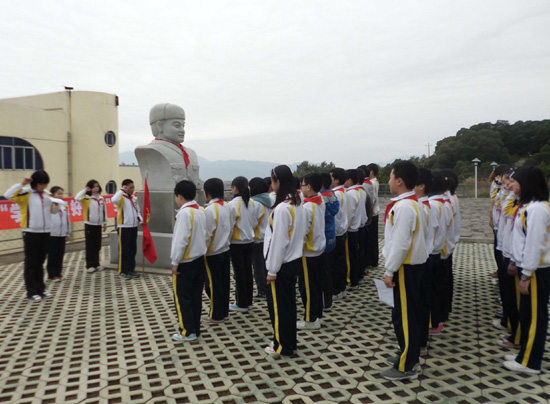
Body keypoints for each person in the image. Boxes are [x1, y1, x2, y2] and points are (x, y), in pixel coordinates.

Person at [381, 161, 427, 381]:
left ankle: (407, 365)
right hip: (410, 266)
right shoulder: (412, 203)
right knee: (405, 314)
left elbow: (400, 243)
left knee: (405, 317)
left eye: (391, 177)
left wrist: (389, 270)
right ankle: (407, 354)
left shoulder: (405, 207)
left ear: (399, 180)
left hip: (405, 267)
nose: (389, 181)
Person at [504, 166, 550, 374]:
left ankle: (530, 362)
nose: (511, 184)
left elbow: (534, 244)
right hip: (528, 267)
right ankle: (525, 352)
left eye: (516, 181)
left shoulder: (538, 209)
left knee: (535, 316)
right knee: (527, 313)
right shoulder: (529, 207)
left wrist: (527, 274)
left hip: (536, 270)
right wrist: (516, 262)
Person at [264, 165, 305, 357]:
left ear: (278, 182)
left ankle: (281, 346)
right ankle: (289, 342)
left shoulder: (282, 209)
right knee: (288, 306)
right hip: (293, 261)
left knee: (279, 308)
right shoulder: (297, 203)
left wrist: (272, 270)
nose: (271, 185)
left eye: (272, 181)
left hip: (281, 264)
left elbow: (278, 241)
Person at [4, 171, 63, 301]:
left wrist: (57, 205)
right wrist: (22, 184)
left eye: (45, 184)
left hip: (45, 231)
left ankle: (41, 289)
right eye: (41, 184)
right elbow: (8, 195)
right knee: (31, 262)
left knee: (41, 261)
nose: (44, 187)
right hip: (31, 231)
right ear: (35, 183)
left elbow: (53, 212)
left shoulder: (47, 195)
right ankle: (31, 291)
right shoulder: (26, 193)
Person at [170, 180, 207, 342]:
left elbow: (180, 240)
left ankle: (187, 331)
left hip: (185, 262)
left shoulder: (184, 213)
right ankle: (195, 328)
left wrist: (175, 261)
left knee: (183, 297)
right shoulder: (200, 210)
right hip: (199, 259)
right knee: (195, 296)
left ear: (180, 196)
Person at [298, 173, 326, 330]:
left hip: (308, 252)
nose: (301, 188)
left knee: (307, 288)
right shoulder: (320, 201)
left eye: (302, 185)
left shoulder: (307, 207)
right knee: (316, 286)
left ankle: (310, 319)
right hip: (319, 250)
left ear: (308, 187)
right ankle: (317, 315)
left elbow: (303, 232)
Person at [203, 178, 231, 323]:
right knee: (224, 282)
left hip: (213, 252)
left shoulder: (209, 210)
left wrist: (202, 250)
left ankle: (216, 314)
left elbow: (207, 234)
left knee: (213, 285)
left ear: (207, 193)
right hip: (225, 249)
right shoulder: (226, 206)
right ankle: (224, 312)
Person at [228, 176, 258, 312]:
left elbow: (230, 227)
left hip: (236, 243)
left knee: (239, 273)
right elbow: (255, 222)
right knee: (248, 271)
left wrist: (227, 241)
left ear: (235, 188)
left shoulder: (232, 204)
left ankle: (241, 303)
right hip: (249, 241)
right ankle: (249, 301)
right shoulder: (251, 203)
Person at [413, 168, 435, 349]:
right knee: (420, 300)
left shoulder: (423, 207)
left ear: (421, 186)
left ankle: (417, 340)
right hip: (425, 257)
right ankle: (419, 338)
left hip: (422, 259)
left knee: (418, 302)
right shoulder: (424, 206)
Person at [427, 171, 447, 336]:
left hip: (431, 252)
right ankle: (436, 319)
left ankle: (433, 322)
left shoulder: (433, 205)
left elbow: (430, 230)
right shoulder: (442, 203)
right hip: (437, 250)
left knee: (430, 289)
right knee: (434, 287)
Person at [112, 179, 143, 280]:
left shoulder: (133, 198)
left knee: (132, 250)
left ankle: (131, 269)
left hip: (133, 226)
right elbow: (114, 200)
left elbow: (137, 211)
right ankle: (123, 271)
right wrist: (122, 191)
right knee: (124, 250)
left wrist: (141, 220)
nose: (132, 189)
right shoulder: (121, 198)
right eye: (130, 187)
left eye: (133, 187)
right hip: (124, 227)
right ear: (125, 187)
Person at [75, 180, 108, 273]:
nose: (96, 188)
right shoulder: (86, 198)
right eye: (93, 187)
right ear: (90, 188)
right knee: (90, 245)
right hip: (90, 225)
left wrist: (105, 222)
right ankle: (90, 265)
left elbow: (104, 211)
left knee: (97, 245)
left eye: (97, 186)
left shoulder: (101, 198)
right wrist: (85, 190)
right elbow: (77, 198)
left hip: (98, 225)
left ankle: (97, 263)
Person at [249, 177, 272, 299]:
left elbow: (253, 222)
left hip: (258, 239)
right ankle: (269, 289)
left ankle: (261, 290)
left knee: (258, 267)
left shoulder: (255, 203)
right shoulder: (269, 200)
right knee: (266, 266)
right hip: (268, 238)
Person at [320, 172, 339, 312]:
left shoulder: (320, 198)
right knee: (329, 270)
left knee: (323, 272)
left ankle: (325, 301)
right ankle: (329, 299)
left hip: (323, 236)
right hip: (331, 234)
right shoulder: (332, 194)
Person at [329, 168, 349, 299]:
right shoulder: (344, 191)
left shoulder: (335, 194)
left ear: (336, 180)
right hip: (342, 230)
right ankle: (342, 287)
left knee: (335, 263)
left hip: (336, 231)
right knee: (341, 261)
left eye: (331, 177)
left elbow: (335, 214)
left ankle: (336, 290)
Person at [46, 186, 71, 281]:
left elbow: (68, 220)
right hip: (52, 234)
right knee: (52, 255)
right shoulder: (49, 205)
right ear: (53, 194)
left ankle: (58, 273)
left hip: (62, 233)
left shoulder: (64, 205)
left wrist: (68, 233)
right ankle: (52, 274)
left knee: (60, 254)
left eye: (61, 194)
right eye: (58, 194)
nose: (60, 196)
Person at [344, 169, 363, 290]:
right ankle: (356, 278)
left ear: (350, 181)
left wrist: (345, 227)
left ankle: (351, 281)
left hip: (350, 229)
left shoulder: (350, 194)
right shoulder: (358, 191)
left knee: (349, 258)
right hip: (357, 227)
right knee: (355, 255)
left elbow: (349, 214)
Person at [365, 163, 380, 268]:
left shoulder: (372, 183)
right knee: (373, 238)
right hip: (375, 212)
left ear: (372, 172)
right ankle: (374, 260)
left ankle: (373, 260)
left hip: (373, 213)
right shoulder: (375, 182)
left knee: (372, 238)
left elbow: (372, 198)